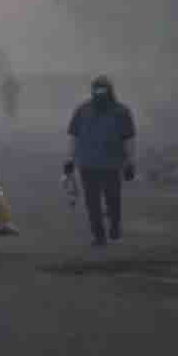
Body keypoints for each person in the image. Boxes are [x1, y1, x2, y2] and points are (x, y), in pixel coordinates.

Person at [64, 75, 136, 246]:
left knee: (113, 199)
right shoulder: (82, 110)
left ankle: (115, 228)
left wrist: (130, 161)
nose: (100, 93)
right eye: (97, 90)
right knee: (92, 202)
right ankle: (98, 235)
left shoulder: (122, 112)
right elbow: (74, 136)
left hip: (112, 163)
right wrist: (69, 158)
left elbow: (129, 138)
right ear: (92, 91)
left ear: (110, 91)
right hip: (88, 164)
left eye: (103, 90)